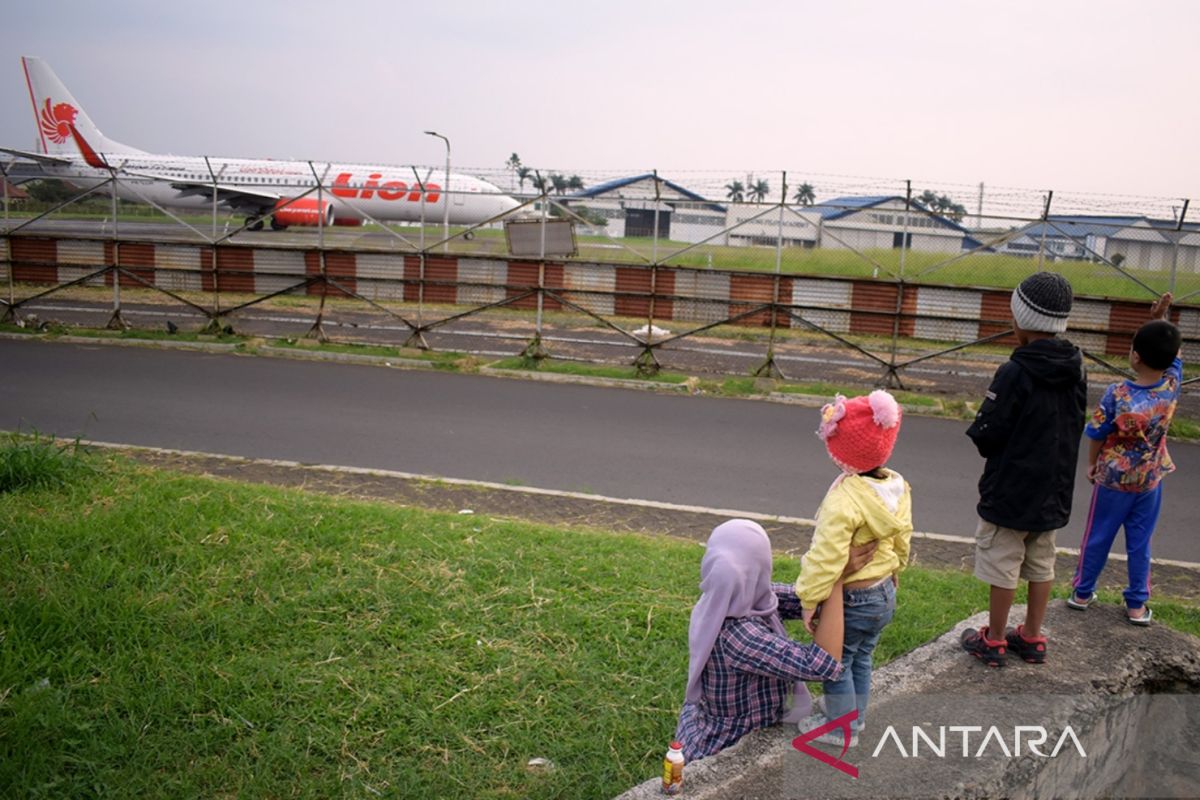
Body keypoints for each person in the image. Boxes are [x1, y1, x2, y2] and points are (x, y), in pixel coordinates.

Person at [961, 271, 1088, 667]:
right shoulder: (1076, 366)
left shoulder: (1015, 371)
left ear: (1021, 318)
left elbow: (989, 433)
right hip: (1054, 488)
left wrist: (981, 429)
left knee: (1003, 562)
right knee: (1041, 562)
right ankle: (1032, 635)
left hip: (1011, 488)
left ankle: (995, 638)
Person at [674, 519, 874, 762]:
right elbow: (822, 665)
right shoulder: (740, 637)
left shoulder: (734, 598)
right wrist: (837, 578)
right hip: (726, 743)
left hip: (709, 721)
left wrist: (840, 573)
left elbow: (806, 598)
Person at [795, 390, 912, 748]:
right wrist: (897, 567)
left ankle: (839, 728)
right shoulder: (895, 485)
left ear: (842, 452)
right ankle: (855, 720)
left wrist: (809, 598)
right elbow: (902, 534)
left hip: (854, 598)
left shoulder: (843, 500)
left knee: (838, 663)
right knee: (862, 657)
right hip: (884, 593)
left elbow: (826, 556)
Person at [1069, 293, 1181, 625]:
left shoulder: (1117, 394)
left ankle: (1082, 592)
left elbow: (1096, 433)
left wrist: (1092, 464)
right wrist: (1162, 318)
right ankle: (1136, 604)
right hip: (1149, 479)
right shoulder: (1171, 386)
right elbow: (1171, 351)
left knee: (1098, 535)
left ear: (1134, 357)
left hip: (1112, 479)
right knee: (1140, 541)